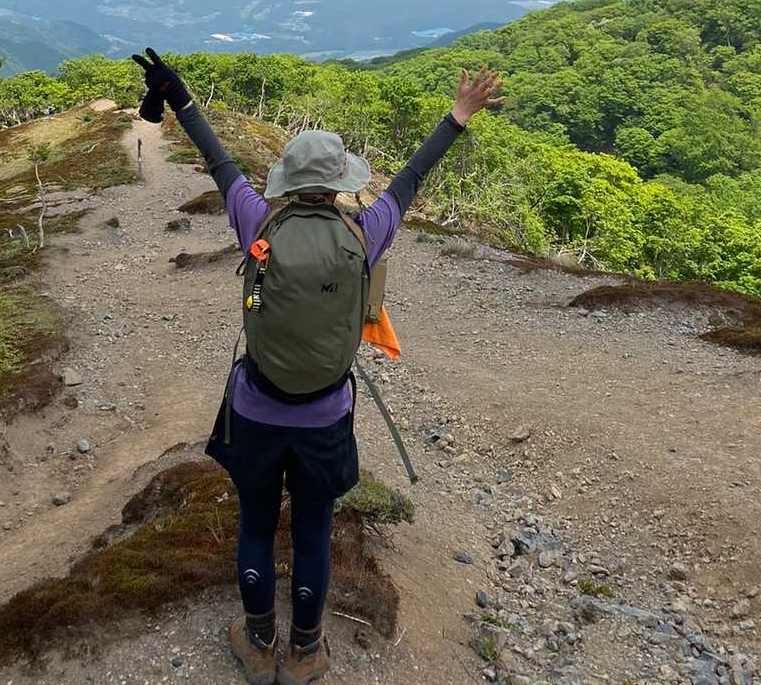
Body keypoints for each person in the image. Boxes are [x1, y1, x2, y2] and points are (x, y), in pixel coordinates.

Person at [132, 48, 505, 685]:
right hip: (325, 417)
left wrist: (181, 97)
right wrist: (458, 116)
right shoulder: (366, 231)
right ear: (339, 184)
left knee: (255, 524)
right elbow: (411, 177)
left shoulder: (257, 220)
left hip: (255, 410)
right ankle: (305, 651)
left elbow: (219, 161)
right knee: (312, 530)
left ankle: (257, 641)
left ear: (285, 181)